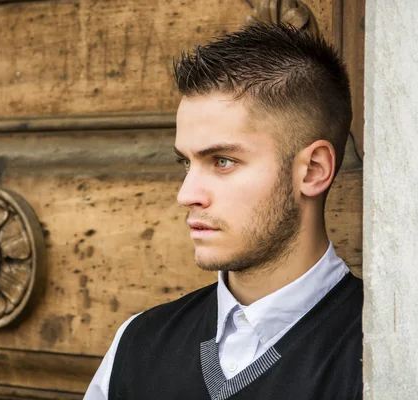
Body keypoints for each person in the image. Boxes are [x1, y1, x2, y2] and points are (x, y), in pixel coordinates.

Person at [84, 22, 362, 400]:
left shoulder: (387, 351)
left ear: (312, 170)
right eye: (186, 163)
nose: (187, 194)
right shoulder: (138, 345)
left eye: (223, 161)